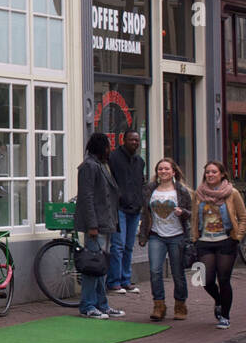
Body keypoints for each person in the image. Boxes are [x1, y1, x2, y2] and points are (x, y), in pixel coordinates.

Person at [74, 133, 125, 319]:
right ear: (102, 147)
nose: (109, 149)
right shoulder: (89, 167)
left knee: (100, 267)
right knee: (93, 267)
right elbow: (87, 197)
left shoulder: (100, 165)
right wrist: (92, 225)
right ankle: (88, 305)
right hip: (96, 225)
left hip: (106, 223)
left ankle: (102, 304)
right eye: (107, 146)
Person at [193, 160, 246, 329]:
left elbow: (243, 218)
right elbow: (194, 218)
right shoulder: (198, 193)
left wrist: (237, 237)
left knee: (223, 279)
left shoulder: (232, 193)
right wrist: (195, 238)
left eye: (214, 172)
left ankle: (225, 315)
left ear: (222, 174)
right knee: (205, 280)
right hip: (205, 241)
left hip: (225, 241)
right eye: (208, 172)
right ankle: (218, 300)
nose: (210, 175)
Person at [137, 158, 192, 321]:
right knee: (155, 271)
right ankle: (159, 305)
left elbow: (191, 212)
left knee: (177, 272)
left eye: (167, 169)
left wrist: (182, 212)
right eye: (160, 169)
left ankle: (180, 304)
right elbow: (145, 214)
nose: (163, 172)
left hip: (177, 235)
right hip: (156, 235)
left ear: (173, 172)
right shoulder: (149, 190)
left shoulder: (181, 190)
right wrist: (142, 235)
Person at [107, 130, 145, 294]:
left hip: (135, 209)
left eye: (137, 140)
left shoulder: (140, 161)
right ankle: (114, 281)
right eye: (131, 140)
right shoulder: (113, 158)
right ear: (124, 140)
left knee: (129, 246)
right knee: (118, 246)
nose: (135, 143)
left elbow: (140, 183)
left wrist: (141, 202)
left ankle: (126, 279)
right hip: (119, 208)